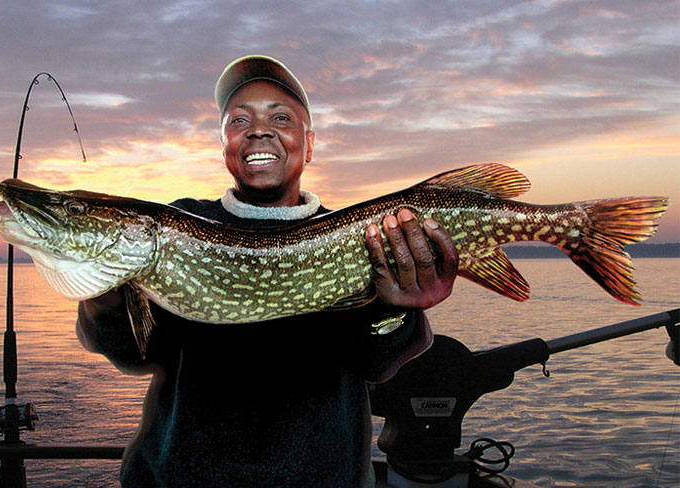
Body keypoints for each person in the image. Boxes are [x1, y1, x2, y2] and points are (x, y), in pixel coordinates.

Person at [76, 55, 458, 487]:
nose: (260, 129)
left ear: (308, 144)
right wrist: (104, 300)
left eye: (281, 117)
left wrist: (397, 311)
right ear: (224, 146)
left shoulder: (362, 236)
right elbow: (131, 353)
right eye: (240, 120)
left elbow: (376, 364)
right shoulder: (179, 228)